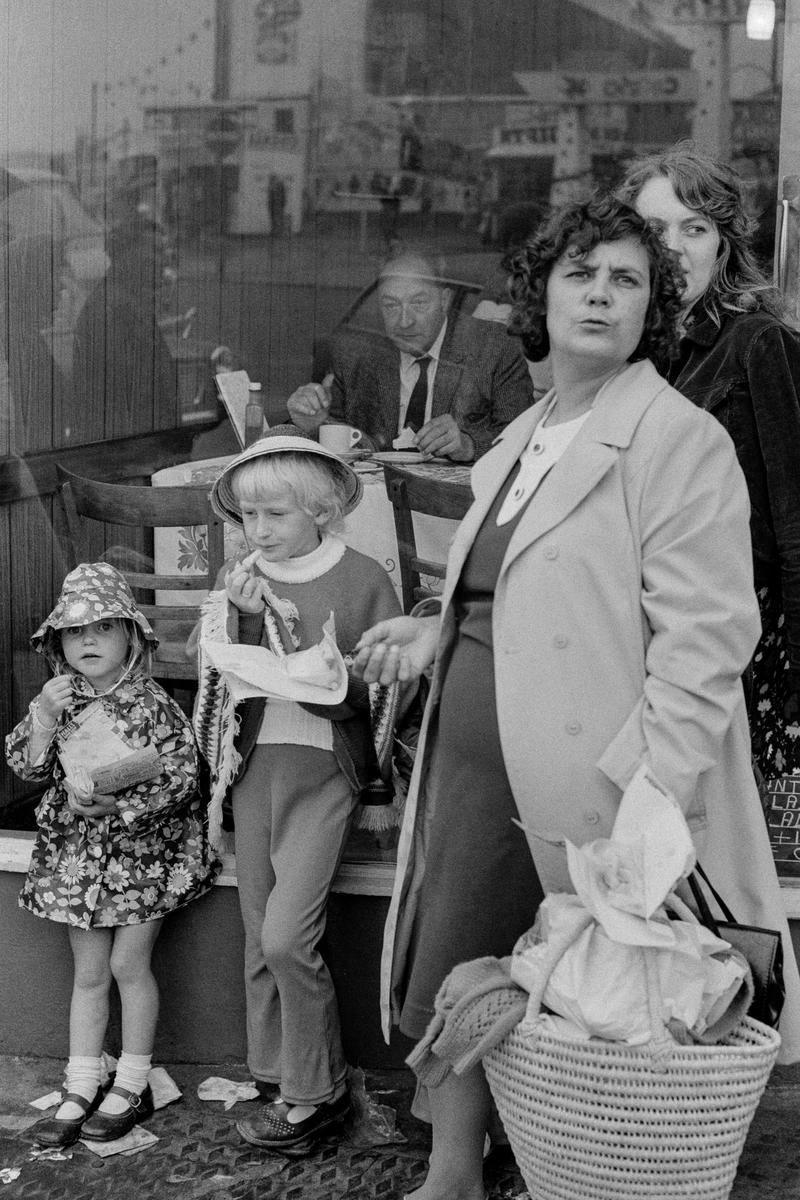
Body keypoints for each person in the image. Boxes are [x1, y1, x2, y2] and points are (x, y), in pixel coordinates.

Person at [353, 194, 800, 1200]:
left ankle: (585, 1169)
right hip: (473, 763)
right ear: (537, 296)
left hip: (586, 772)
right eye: (578, 275)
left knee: (590, 993)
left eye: (625, 280)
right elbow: (514, 583)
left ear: (655, 312)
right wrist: (434, 628)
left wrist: (653, 790)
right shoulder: (523, 438)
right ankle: (453, 1171)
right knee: (459, 958)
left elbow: (708, 636)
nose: (599, 295)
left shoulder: (674, 438)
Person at [190, 429, 404, 1155]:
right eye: (248, 517)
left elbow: (389, 687)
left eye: (275, 515)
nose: (258, 531)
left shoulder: (364, 574)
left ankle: (319, 1094)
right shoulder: (245, 573)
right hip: (256, 767)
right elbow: (222, 677)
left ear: (321, 510)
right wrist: (242, 613)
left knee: (288, 937)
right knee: (259, 933)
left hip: (325, 771)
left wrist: (334, 680)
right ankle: (279, 1074)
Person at [5, 562, 218, 1148]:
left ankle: (132, 1080)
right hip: (77, 862)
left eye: (102, 627)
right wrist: (43, 717)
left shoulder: (151, 703)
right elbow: (25, 766)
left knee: (129, 966)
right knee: (90, 973)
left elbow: (183, 779)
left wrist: (121, 812)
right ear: (57, 644)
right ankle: (81, 1082)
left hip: (140, 861)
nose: (88, 640)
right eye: (75, 632)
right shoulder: (58, 700)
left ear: (131, 635)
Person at [618, 143, 800, 783]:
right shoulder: (621, 354)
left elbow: (796, 520)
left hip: (733, 644)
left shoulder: (759, 343)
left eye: (695, 228)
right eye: (654, 230)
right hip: (637, 635)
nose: (674, 248)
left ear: (723, 245)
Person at [286, 250, 534, 462]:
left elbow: (523, 439)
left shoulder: (494, 348)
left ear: (445, 300)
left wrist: (468, 445)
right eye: (391, 306)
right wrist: (312, 425)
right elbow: (345, 440)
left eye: (418, 303)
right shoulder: (354, 355)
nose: (404, 321)